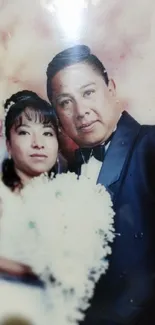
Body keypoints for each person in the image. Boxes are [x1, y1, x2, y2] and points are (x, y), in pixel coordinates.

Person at [46, 45, 155, 325]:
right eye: (65, 102)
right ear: (57, 115)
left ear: (112, 88)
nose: (81, 111)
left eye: (88, 92)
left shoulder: (150, 147)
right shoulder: (62, 177)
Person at [0, 90, 65, 323]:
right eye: (25, 132)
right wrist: (34, 271)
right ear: (8, 143)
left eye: (47, 133)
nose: (38, 144)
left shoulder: (69, 196)